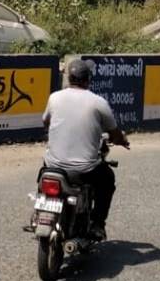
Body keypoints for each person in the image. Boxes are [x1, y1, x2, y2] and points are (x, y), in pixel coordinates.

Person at [41, 59, 130, 241]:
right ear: (88, 79)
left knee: (44, 174)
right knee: (107, 179)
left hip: (53, 166)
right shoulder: (98, 103)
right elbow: (114, 133)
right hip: (84, 171)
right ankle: (98, 224)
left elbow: (46, 121)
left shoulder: (54, 97)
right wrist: (122, 141)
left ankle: (41, 208)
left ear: (69, 78)